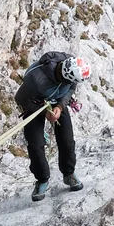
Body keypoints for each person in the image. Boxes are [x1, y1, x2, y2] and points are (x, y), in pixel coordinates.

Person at [16, 49, 91, 202]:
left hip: (57, 101)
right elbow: (21, 99)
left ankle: (69, 174)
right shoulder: (36, 79)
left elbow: (72, 87)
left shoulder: (72, 65)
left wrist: (61, 106)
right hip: (35, 104)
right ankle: (42, 179)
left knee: (67, 139)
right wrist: (45, 112)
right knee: (36, 144)